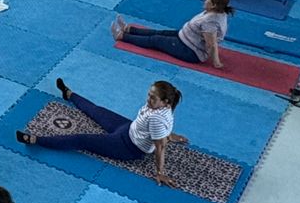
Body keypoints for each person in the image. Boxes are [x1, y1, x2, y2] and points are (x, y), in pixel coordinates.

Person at [17, 78, 186, 187]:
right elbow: (160, 132)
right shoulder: (162, 108)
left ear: (165, 102)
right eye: (148, 95)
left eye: (152, 98)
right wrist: (168, 135)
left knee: (81, 139)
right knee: (96, 110)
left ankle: (35, 140)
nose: (148, 100)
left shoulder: (158, 119)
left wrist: (160, 172)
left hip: (127, 147)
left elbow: (160, 148)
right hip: (127, 128)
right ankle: (69, 94)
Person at [111, 0, 233, 69]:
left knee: (156, 40)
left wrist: (216, 62)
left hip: (191, 51)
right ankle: (129, 29)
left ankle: (122, 36)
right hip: (185, 37)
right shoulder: (217, 11)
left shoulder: (210, 22)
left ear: (214, 5)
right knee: (159, 32)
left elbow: (211, 44)